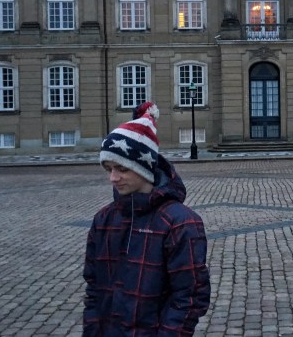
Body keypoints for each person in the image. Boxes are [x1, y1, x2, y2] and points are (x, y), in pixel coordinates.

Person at [83, 101, 211, 335]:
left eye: (122, 168)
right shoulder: (103, 219)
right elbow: (93, 290)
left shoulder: (180, 223)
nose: (113, 178)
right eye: (109, 169)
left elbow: (189, 297)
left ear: (144, 167)